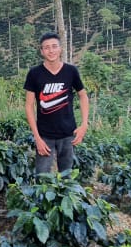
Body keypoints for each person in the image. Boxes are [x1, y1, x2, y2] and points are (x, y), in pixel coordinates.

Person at [24, 32, 89, 174]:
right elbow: (29, 106)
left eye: (54, 46)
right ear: (41, 51)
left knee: (67, 178)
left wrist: (84, 124)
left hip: (68, 134)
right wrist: (37, 137)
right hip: (44, 135)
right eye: (46, 47)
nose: (51, 50)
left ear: (60, 49)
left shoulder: (71, 71)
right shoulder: (34, 73)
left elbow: (83, 95)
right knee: (42, 178)